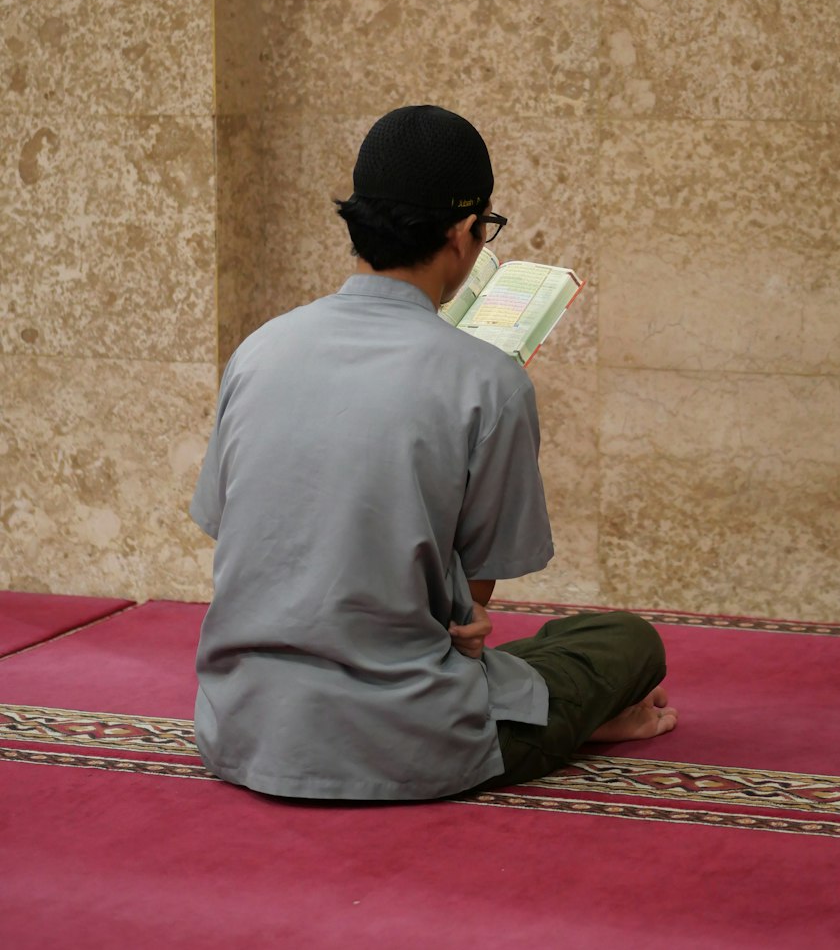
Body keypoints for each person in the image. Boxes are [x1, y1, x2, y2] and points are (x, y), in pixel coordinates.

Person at [190, 105, 677, 801]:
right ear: (461, 232)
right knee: (625, 642)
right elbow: (469, 620)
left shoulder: (257, 351)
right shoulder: (489, 379)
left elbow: (229, 526)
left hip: (241, 727)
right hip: (408, 740)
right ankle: (589, 720)